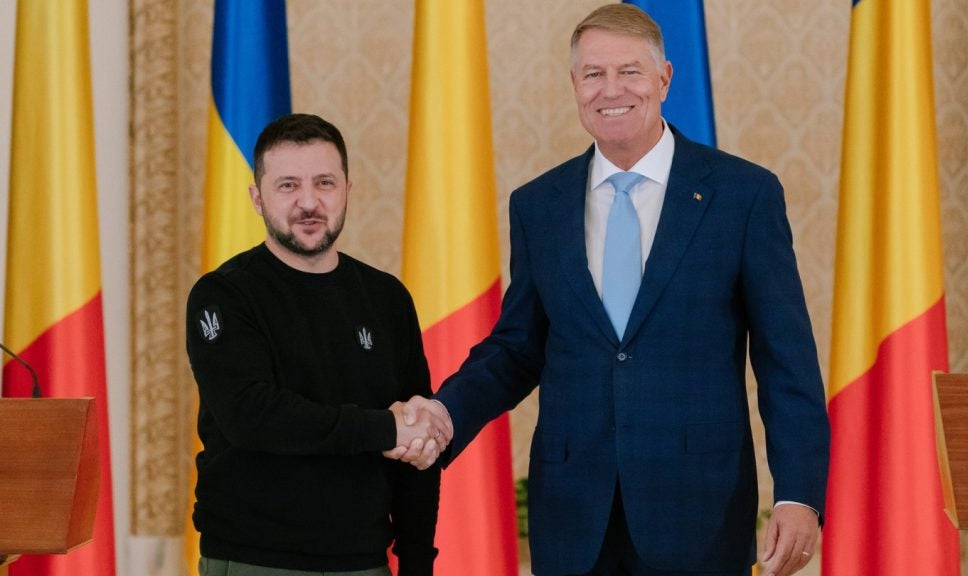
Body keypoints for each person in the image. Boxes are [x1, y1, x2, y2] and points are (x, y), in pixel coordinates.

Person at [388, 4, 830, 576]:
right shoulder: (538, 205)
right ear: (575, 84)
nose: (611, 89)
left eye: (630, 71)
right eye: (594, 73)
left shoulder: (743, 195)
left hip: (699, 512)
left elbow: (785, 361)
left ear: (664, 79)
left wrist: (799, 495)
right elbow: (517, 349)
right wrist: (444, 413)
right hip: (574, 516)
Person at [186, 113, 449, 576]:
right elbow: (253, 416)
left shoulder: (387, 298)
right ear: (257, 198)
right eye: (288, 186)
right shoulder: (223, 295)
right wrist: (386, 430)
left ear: (347, 189)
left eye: (324, 183)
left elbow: (415, 445)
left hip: (365, 562)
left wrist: (416, 563)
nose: (309, 202)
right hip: (253, 559)